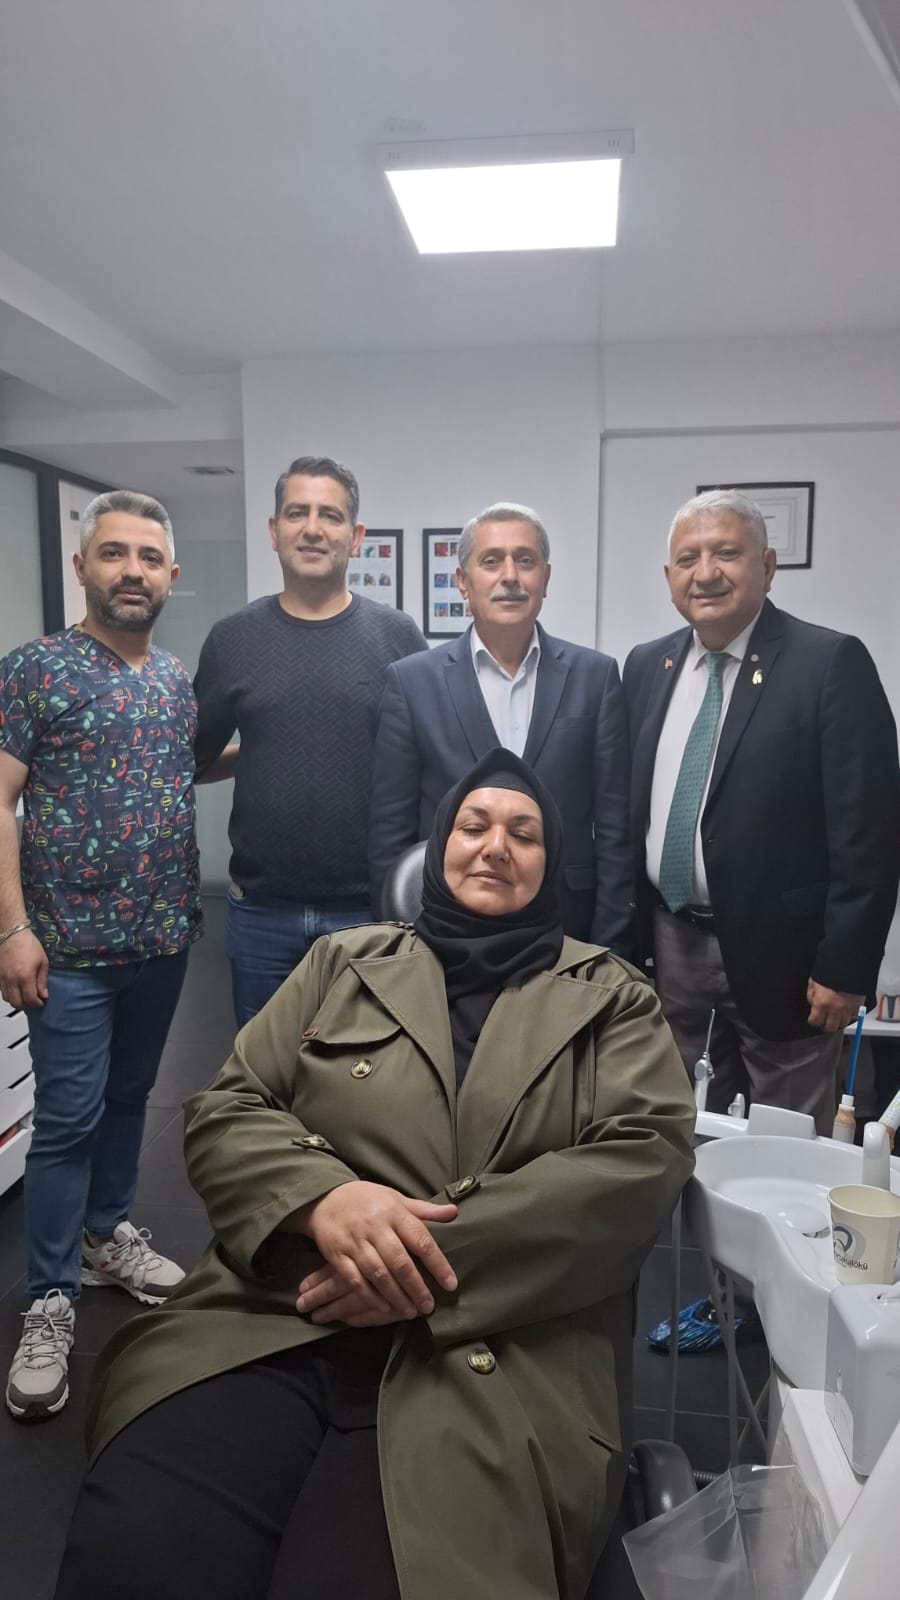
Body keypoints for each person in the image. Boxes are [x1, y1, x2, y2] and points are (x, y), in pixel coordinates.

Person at [56, 750, 694, 1600]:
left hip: (494, 1355)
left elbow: (644, 1158)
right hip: (280, 1317)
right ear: (438, 848)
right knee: (137, 1547)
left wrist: (418, 1259)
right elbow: (229, 1104)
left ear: (552, 866)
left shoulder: (613, 998)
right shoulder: (343, 963)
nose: (494, 846)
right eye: (473, 825)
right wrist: (324, 1200)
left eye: (524, 833)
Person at [0, 490, 200, 1422]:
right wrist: (11, 928)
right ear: (82, 566)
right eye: (114, 553)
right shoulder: (35, 669)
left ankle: (105, 1235)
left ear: (170, 576)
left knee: (130, 1099)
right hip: (68, 950)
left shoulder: (175, 680)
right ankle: (48, 1299)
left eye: (149, 557)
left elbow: (180, 763)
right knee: (68, 1121)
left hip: (162, 938)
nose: (132, 570)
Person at [624, 488, 900, 1141]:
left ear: (767, 566)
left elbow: (870, 832)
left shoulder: (828, 663)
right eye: (688, 558)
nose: (706, 572)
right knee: (665, 1123)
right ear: (669, 577)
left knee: (787, 1140)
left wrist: (846, 967)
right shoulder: (647, 666)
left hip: (788, 958)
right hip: (668, 941)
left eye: (726, 553)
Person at [194, 455, 427, 1026]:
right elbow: (193, 760)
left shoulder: (397, 636)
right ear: (274, 531)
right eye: (297, 513)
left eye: (330, 515)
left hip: (368, 911)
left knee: (366, 1070)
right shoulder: (232, 639)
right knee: (264, 1072)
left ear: (356, 535)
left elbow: (425, 761)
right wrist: (265, 753)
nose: (313, 528)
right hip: (261, 914)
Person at [369, 502, 634, 952]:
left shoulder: (596, 676)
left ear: (545, 579)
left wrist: (610, 949)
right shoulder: (411, 682)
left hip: (567, 927)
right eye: (491, 561)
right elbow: (389, 833)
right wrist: (398, 948)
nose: (509, 575)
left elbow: (614, 831)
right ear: (463, 581)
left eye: (524, 560)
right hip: (445, 929)